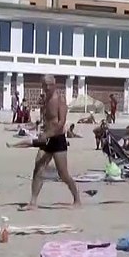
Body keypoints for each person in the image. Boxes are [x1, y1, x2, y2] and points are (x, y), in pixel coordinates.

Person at [23, 75, 80, 210]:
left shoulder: (59, 99)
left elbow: (61, 123)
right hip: (46, 139)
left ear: (54, 84)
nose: (47, 87)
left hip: (57, 139)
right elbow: (46, 121)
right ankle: (33, 202)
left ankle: (77, 199)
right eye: (45, 85)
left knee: (63, 174)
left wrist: (47, 134)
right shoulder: (45, 101)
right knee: (38, 168)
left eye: (49, 84)